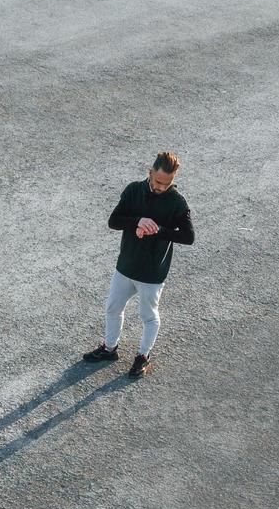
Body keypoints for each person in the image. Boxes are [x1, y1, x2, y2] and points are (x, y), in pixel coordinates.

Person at [83, 152, 195, 377]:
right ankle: (110, 348)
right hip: (126, 265)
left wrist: (159, 231)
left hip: (152, 273)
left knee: (149, 316)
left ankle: (143, 355)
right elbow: (114, 221)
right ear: (150, 173)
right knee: (113, 308)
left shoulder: (177, 203)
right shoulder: (133, 190)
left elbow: (189, 237)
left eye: (167, 183)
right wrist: (137, 221)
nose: (161, 187)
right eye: (158, 181)